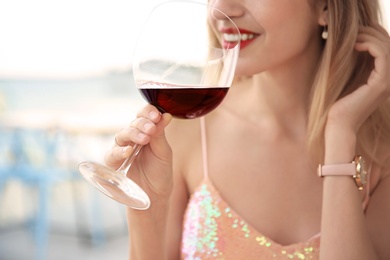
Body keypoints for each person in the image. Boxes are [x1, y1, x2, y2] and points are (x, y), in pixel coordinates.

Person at [105, 0, 390, 259]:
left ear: (325, 7)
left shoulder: (382, 148)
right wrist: (147, 206)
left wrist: (341, 134)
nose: (224, 9)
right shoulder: (188, 132)